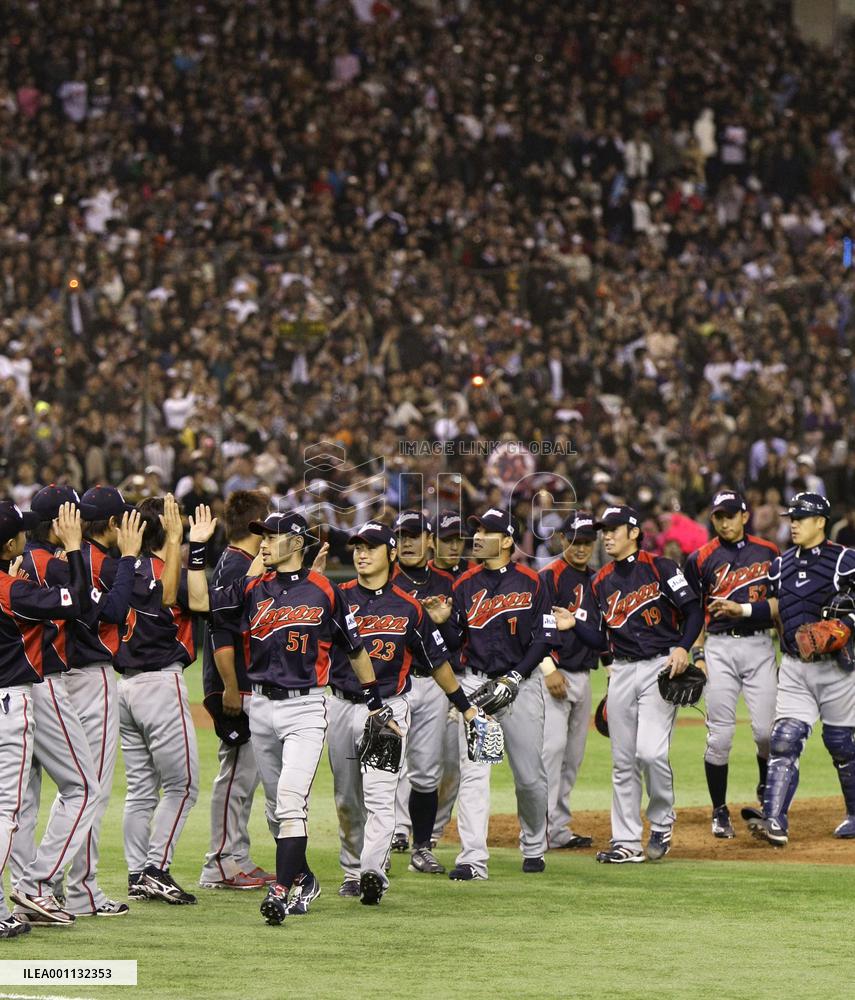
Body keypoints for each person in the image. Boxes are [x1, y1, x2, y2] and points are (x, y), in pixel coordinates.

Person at [190, 509, 397, 925]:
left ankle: (283, 890)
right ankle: (303, 876)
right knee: (275, 810)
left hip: (306, 707)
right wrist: (196, 549)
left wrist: (375, 702)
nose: (264, 542)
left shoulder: (325, 591)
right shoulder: (252, 587)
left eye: (273, 535)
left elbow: (355, 649)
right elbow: (199, 602)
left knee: (288, 802)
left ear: (297, 543)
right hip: (261, 707)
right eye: (262, 535)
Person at [328, 521, 478, 904]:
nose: (361, 553)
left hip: (389, 709)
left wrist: (465, 706)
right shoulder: (338, 597)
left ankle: (371, 873)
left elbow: (437, 661)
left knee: (380, 796)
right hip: (342, 706)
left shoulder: (409, 607)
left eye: (371, 547)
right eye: (358, 546)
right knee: (348, 799)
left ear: (391, 554)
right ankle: (350, 869)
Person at [10, 486, 135, 926]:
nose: (82, 522)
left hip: (23, 687)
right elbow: (102, 610)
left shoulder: (23, 563)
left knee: (22, 800)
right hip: (46, 683)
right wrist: (85, 554)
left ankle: (29, 889)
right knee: (83, 787)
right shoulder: (51, 563)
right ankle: (39, 886)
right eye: (75, 515)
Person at [554, 505, 704, 863]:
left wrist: (684, 648)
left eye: (614, 529)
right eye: (604, 530)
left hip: (659, 667)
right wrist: (574, 625)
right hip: (621, 670)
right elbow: (600, 639)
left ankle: (662, 820)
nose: (606, 535)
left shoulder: (661, 568)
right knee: (623, 762)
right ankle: (626, 841)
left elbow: (694, 610)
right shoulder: (599, 581)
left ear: (634, 532)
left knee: (650, 753)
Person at [424, 507, 558, 880]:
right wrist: (441, 624)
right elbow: (454, 642)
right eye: (477, 530)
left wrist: (515, 676)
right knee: (473, 773)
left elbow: (546, 638)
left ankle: (533, 844)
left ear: (507, 541)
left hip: (523, 685)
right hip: (476, 686)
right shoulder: (464, 585)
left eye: (487, 531)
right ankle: (472, 859)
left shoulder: (533, 582)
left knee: (529, 776)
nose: (477, 537)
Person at [737, 493, 855, 845]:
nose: (794, 523)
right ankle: (773, 819)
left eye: (801, 518)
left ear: (821, 522)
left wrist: (846, 625)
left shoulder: (845, 560)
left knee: (842, 744)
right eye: (792, 517)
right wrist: (742, 611)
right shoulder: (780, 563)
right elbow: (776, 607)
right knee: (784, 739)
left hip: (837, 669)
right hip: (793, 665)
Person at [0, 502, 90, 937]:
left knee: (14, 805)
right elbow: (76, 604)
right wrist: (75, 549)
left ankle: (11, 898)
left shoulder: (10, 588)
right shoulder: (11, 589)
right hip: (10, 701)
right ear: (10, 544)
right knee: (9, 809)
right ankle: (26, 891)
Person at [60, 486, 145, 916]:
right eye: (123, 520)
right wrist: (130, 558)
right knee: (90, 789)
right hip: (89, 680)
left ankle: (47, 880)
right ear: (113, 524)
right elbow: (113, 614)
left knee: (65, 789)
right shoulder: (105, 564)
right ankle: (80, 889)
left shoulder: (61, 558)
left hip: (52, 680)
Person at [118, 495, 200, 905]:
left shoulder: (122, 570)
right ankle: (155, 869)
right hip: (160, 685)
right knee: (183, 786)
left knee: (140, 789)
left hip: (126, 688)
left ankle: (136, 874)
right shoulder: (170, 572)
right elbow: (202, 601)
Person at [683, 490, 779, 838]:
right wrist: (698, 654)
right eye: (719, 516)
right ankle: (719, 810)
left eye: (731, 515)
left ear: (744, 516)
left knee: (768, 733)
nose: (725, 522)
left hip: (759, 645)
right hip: (720, 647)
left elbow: (780, 603)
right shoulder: (699, 558)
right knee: (720, 737)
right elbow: (692, 613)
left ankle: (767, 792)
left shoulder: (769, 553)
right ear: (713, 519)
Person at [199, 490, 273, 891]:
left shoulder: (241, 562)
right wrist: (229, 685)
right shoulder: (234, 566)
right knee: (236, 778)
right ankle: (220, 863)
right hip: (233, 685)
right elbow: (221, 630)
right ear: (259, 527)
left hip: (241, 682)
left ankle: (237, 856)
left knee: (245, 777)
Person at [389, 510, 455, 875]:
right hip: (394, 683)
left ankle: (422, 846)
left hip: (431, 682)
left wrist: (444, 623)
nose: (408, 543)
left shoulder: (447, 582)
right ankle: (382, 841)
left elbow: (459, 640)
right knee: (383, 768)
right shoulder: (384, 580)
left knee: (427, 772)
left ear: (430, 540)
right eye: (402, 536)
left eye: (415, 535)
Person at [539, 512, 603, 849]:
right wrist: (548, 668)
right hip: (555, 675)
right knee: (551, 753)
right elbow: (535, 628)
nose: (581, 547)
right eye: (575, 540)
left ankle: (558, 829)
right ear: (562, 540)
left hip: (583, 675)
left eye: (587, 541)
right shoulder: (550, 577)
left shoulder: (597, 579)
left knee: (572, 758)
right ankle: (538, 829)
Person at [427, 510, 476, 846]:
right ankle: (401, 829)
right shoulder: (420, 578)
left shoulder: (474, 580)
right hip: (423, 679)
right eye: (447, 539)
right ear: (433, 542)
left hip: (458, 678)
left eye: (459, 539)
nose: (454, 545)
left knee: (450, 765)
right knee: (415, 761)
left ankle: (432, 831)